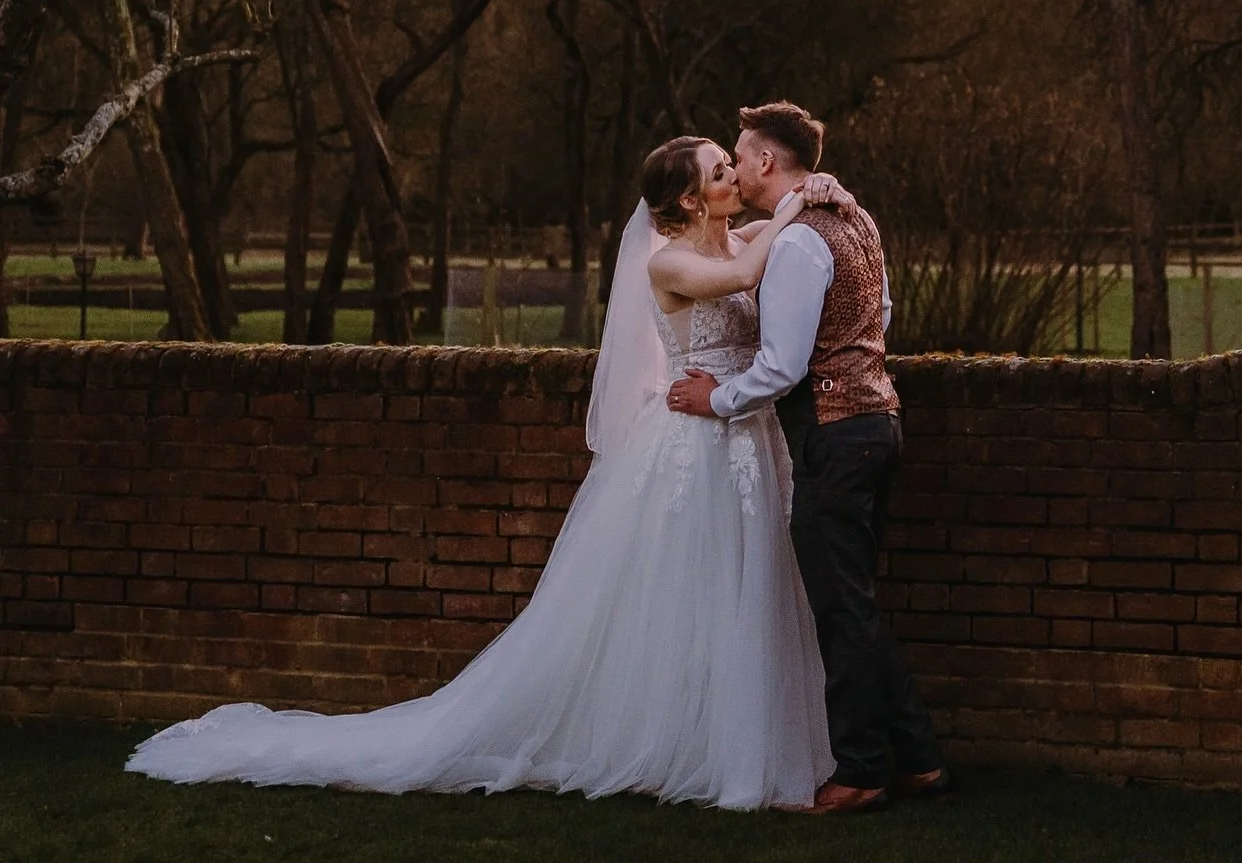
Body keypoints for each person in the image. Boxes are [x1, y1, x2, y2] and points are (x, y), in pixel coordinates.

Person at [126, 136, 836, 811]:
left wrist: (805, 198)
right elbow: (746, 275)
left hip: (744, 441)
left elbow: (763, 254)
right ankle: (679, 748)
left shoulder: (734, 238)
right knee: (694, 594)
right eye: (718, 172)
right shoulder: (671, 263)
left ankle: (718, 743)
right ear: (685, 201)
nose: (731, 179)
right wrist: (800, 200)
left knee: (741, 591)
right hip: (694, 449)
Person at [668, 101, 947, 815]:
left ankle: (859, 772)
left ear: (767, 161)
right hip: (879, 422)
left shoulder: (795, 245)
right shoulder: (856, 220)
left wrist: (718, 400)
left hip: (832, 435)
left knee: (840, 608)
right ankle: (917, 758)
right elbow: (878, 317)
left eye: (739, 155)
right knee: (854, 601)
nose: (735, 166)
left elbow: (782, 367)